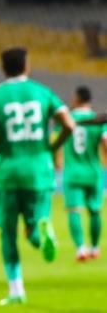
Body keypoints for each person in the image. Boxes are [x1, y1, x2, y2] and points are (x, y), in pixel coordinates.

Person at [0, 47, 75, 306]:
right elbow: (68, 125)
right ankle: (42, 230)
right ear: (27, 65)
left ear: (3, 68)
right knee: (34, 225)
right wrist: (53, 147)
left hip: (7, 173)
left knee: (8, 234)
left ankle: (16, 290)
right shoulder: (43, 92)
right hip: (39, 170)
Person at [59, 86, 107, 261]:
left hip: (72, 172)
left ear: (76, 98)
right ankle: (94, 248)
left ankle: (80, 249)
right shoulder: (99, 120)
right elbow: (105, 144)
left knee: (74, 211)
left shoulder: (67, 119)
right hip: (94, 171)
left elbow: (58, 142)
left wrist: (56, 162)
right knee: (95, 211)